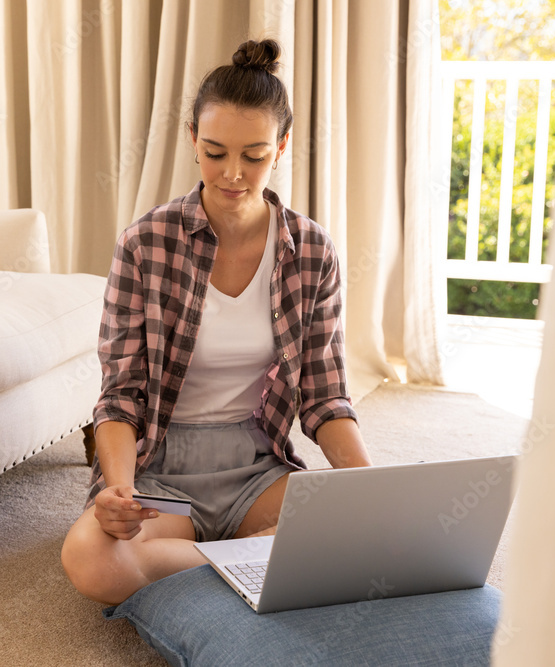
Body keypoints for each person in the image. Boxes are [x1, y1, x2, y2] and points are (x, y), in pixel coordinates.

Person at [62, 39, 372, 606]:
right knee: (92, 560)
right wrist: (120, 492)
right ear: (192, 139)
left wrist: (369, 486)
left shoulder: (311, 250)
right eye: (215, 152)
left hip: (257, 467)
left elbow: (325, 398)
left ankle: (213, 562)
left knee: (360, 530)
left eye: (254, 156)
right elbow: (121, 397)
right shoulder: (144, 244)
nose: (232, 174)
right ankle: (257, 559)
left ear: (281, 146)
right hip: (159, 469)